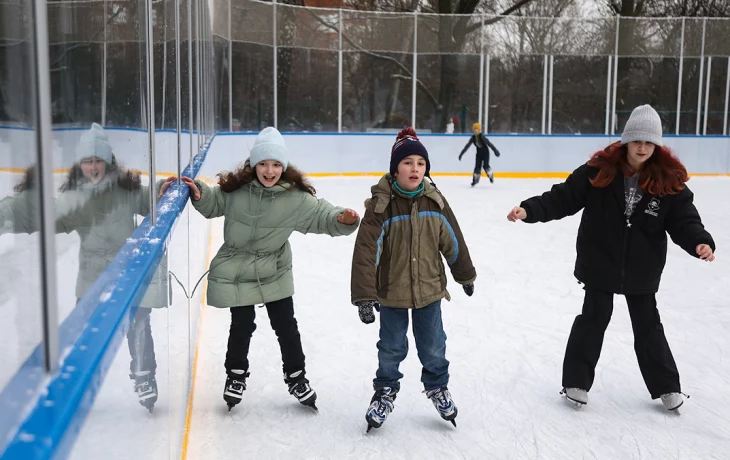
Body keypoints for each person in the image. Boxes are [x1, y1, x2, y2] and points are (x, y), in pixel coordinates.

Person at [506, 105, 716, 411]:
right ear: (626, 141)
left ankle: (667, 387)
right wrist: (529, 210)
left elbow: (685, 220)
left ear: (656, 145)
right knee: (593, 318)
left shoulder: (668, 181)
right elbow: (563, 197)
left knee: (648, 325)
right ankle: (576, 382)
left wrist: (699, 241)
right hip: (599, 260)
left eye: (649, 142)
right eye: (637, 141)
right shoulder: (598, 170)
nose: (642, 148)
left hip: (642, 267)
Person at [181, 127, 360, 412]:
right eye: (263, 163)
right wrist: (198, 192)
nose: (269, 170)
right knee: (242, 324)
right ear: (253, 165)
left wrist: (342, 219)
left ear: (284, 167)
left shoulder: (295, 198)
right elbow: (213, 201)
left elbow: (320, 214)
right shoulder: (236, 191)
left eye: (276, 164)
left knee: (286, 325)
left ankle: (296, 377)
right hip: (237, 266)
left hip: (273, 266)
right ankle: (236, 375)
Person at [0, 123, 172, 412]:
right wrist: (13, 209)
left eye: (98, 161)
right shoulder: (74, 200)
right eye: (87, 161)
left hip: (128, 275)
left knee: (139, 324)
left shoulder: (125, 191)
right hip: (92, 281)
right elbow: (40, 215)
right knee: (82, 336)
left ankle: (144, 376)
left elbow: (149, 200)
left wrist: (162, 189)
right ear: (79, 165)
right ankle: (75, 384)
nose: (93, 167)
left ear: (108, 162)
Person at [350, 127, 476, 431]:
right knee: (391, 347)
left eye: (420, 163)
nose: (415, 168)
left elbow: (453, 241)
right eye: (408, 163)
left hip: (430, 288)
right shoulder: (382, 207)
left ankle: (437, 386)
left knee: (433, 345)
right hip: (391, 292)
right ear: (395, 169)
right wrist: (365, 296)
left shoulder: (435, 202)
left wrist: (465, 274)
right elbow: (367, 252)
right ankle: (385, 391)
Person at [458, 122, 501, 186]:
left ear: (479, 130)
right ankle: (475, 180)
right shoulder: (473, 138)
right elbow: (467, 146)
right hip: (479, 154)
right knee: (477, 167)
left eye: (477, 129)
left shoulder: (482, 136)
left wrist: (495, 150)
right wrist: (461, 154)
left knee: (485, 166)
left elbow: (489, 143)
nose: (475, 130)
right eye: (474, 129)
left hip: (485, 153)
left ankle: (490, 176)